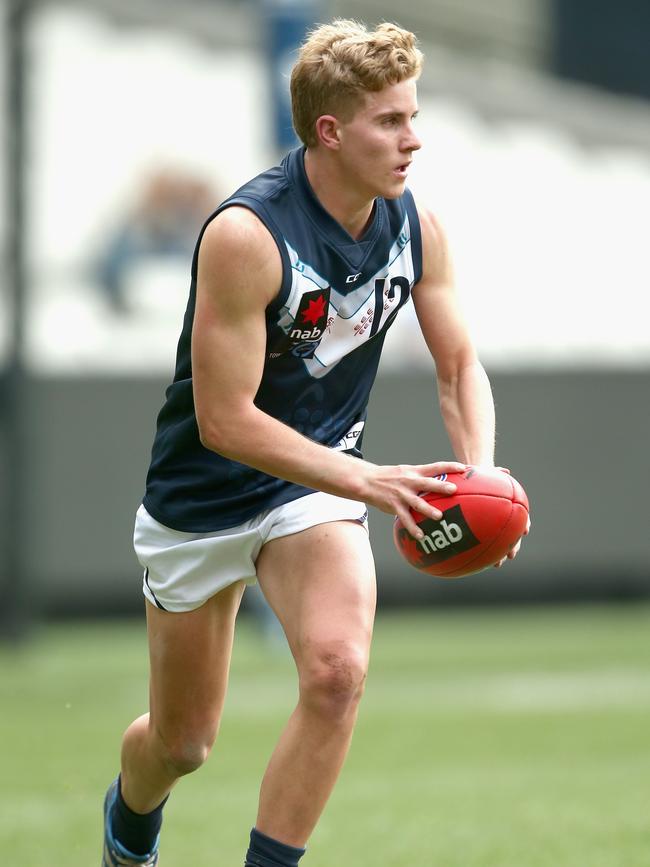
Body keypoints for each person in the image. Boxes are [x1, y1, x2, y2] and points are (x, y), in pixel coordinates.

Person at [101, 19, 527, 867]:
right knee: (182, 744)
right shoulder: (246, 235)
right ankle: (129, 822)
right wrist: (371, 480)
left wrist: (479, 474)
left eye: (413, 114)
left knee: (336, 672)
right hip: (203, 497)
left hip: (315, 487)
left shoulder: (417, 225)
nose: (414, 138)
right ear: (329, 132)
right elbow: (227, 420)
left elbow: (458, 365)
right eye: (390, 122)